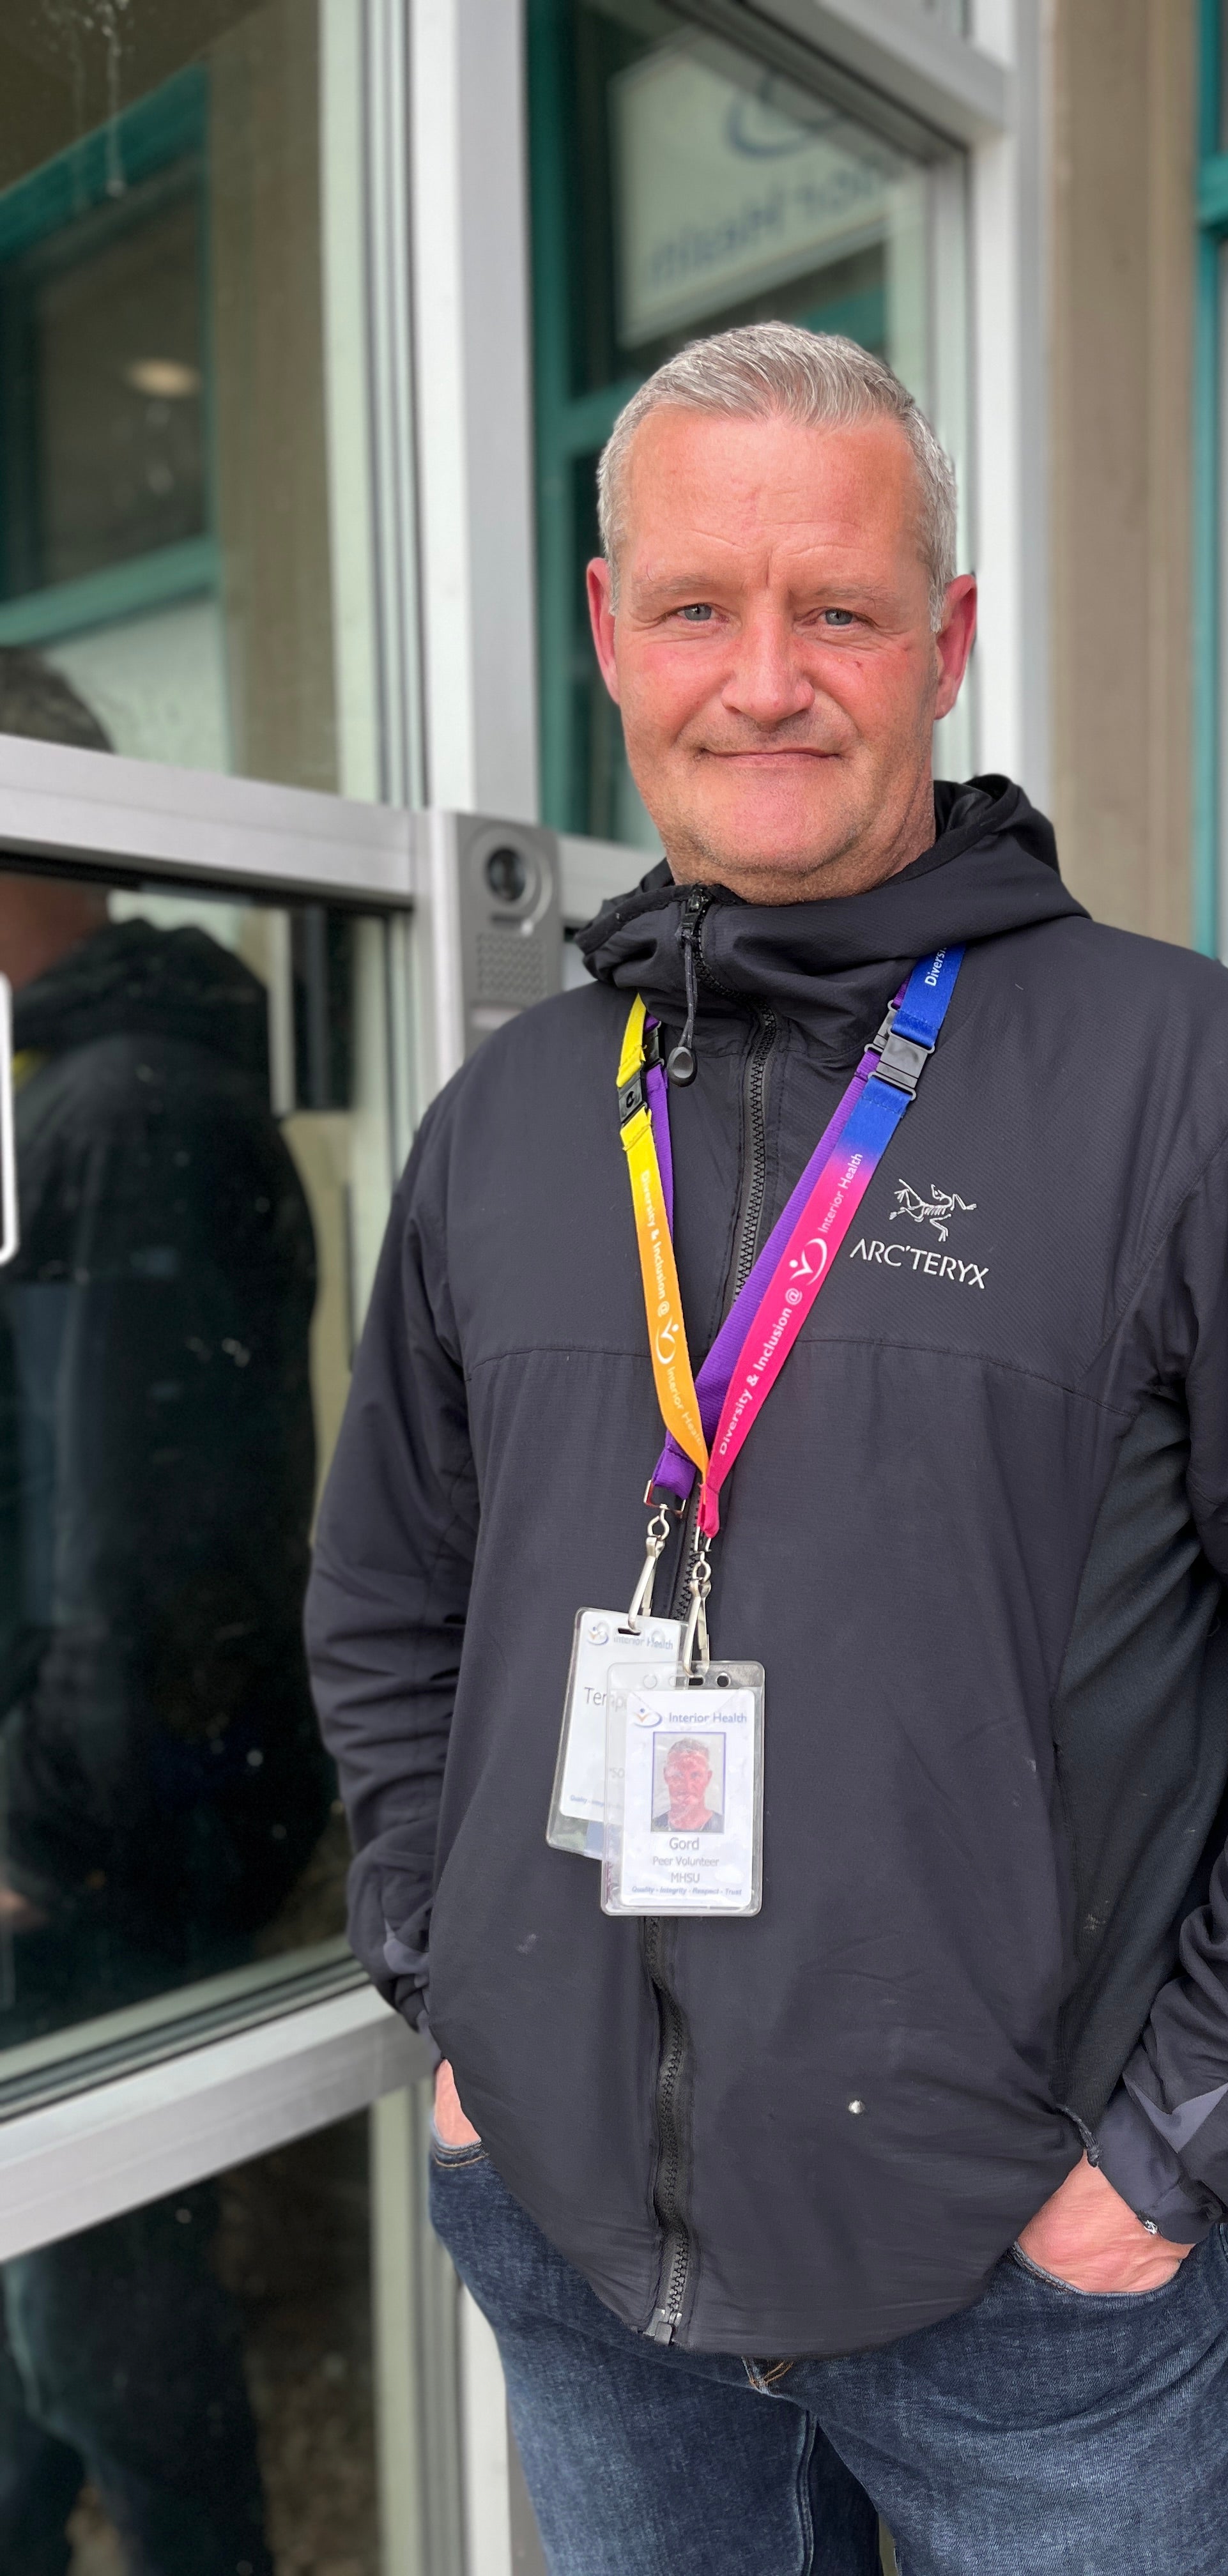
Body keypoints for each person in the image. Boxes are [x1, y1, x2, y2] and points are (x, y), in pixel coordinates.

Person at [308, 323, 1228, 2575]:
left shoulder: (1183, 1084)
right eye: (695, 607)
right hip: (582, 2267)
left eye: (836, 609)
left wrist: (1165, 2160)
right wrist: (451, 2000)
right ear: (607, 635)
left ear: (943, 643)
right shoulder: (511, 1125)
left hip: (1030, 2315)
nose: (763, 679)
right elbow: (392, 1603)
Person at [0, 647, 329, 2573]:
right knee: (46, 2338)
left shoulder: (125, 1109)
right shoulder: (66, 1088)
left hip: (102, 1846)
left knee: (114, 2343)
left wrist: (35, 1837)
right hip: (78, 1812)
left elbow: (150, 1549)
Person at [653, 1738, 723, 1834]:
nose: (687, 1785)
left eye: (695, 1775)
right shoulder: (652, 1827)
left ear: (708, 1777)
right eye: (678, 1775)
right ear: (666, 1775)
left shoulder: (725, 1827)